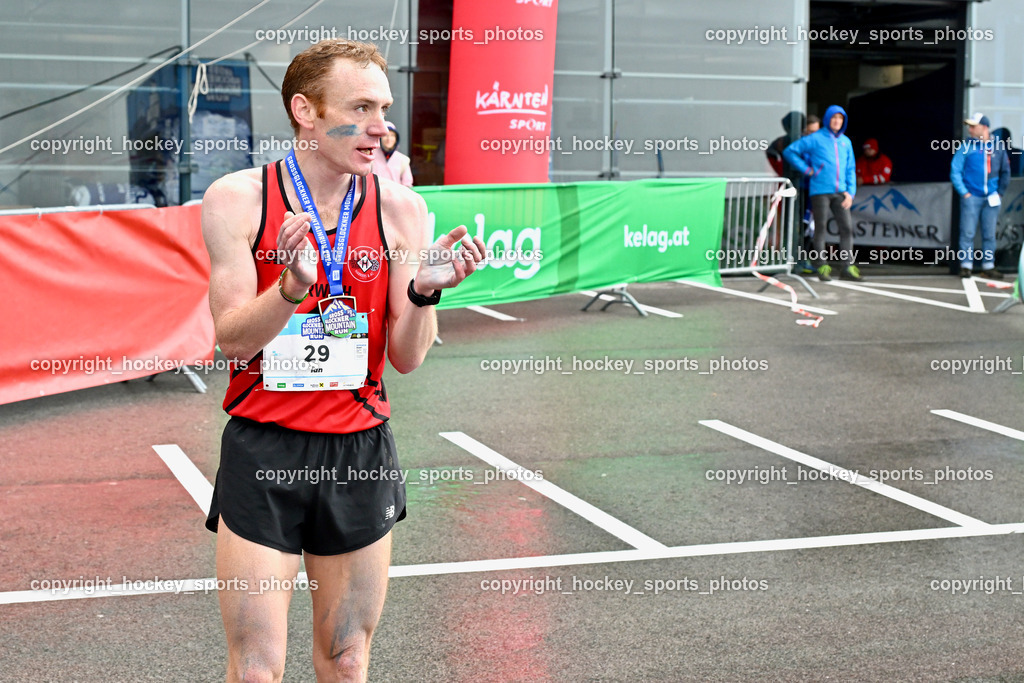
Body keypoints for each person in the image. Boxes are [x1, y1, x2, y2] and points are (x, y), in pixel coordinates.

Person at [200, 39, 486, 682]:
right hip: (265, 448)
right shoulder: (238, 199)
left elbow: (408, 358)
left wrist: (423, 290)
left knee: (347, 657)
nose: (381, 127)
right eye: (360, 108)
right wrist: (290, 290)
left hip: (358, 451)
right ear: (304, 109)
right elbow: (234, 341)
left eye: (384, 107)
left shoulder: (402, 210)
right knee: (254, 667)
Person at [783, 104, 862, 282]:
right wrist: (808, 170)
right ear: (827, 119)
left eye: (840, 118)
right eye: (834, 118)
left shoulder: (846, 142)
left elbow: (851, 169)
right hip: (820, 191)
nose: (837, 121)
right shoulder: (816, 138)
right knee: (820, 230)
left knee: (847, 229)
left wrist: (851, 193)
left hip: (841, 193)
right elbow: (790, 151)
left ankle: (847, 268)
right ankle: (821, 267)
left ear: (844, 121)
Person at [951, 113, 1010, 279]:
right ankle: (966, 266)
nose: (969, 129)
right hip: (972, 197)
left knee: (989, 233)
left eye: (973, 126)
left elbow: (1006, 171)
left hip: (991, 197)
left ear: (983, 127)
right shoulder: (966, 146)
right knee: (967, 232)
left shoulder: (997, 146)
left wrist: (999, 192)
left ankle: (988, 265)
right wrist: (965, 193)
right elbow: (955, 170)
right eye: (969, 126)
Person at [372, 121, 413, 187]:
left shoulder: (403, 160)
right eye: (385, 135)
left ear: (396, 139)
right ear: (379, 138)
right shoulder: (370, 156)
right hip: (375, 195)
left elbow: (407, 185)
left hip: (395, 196)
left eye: (392, 135)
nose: (389, 139)